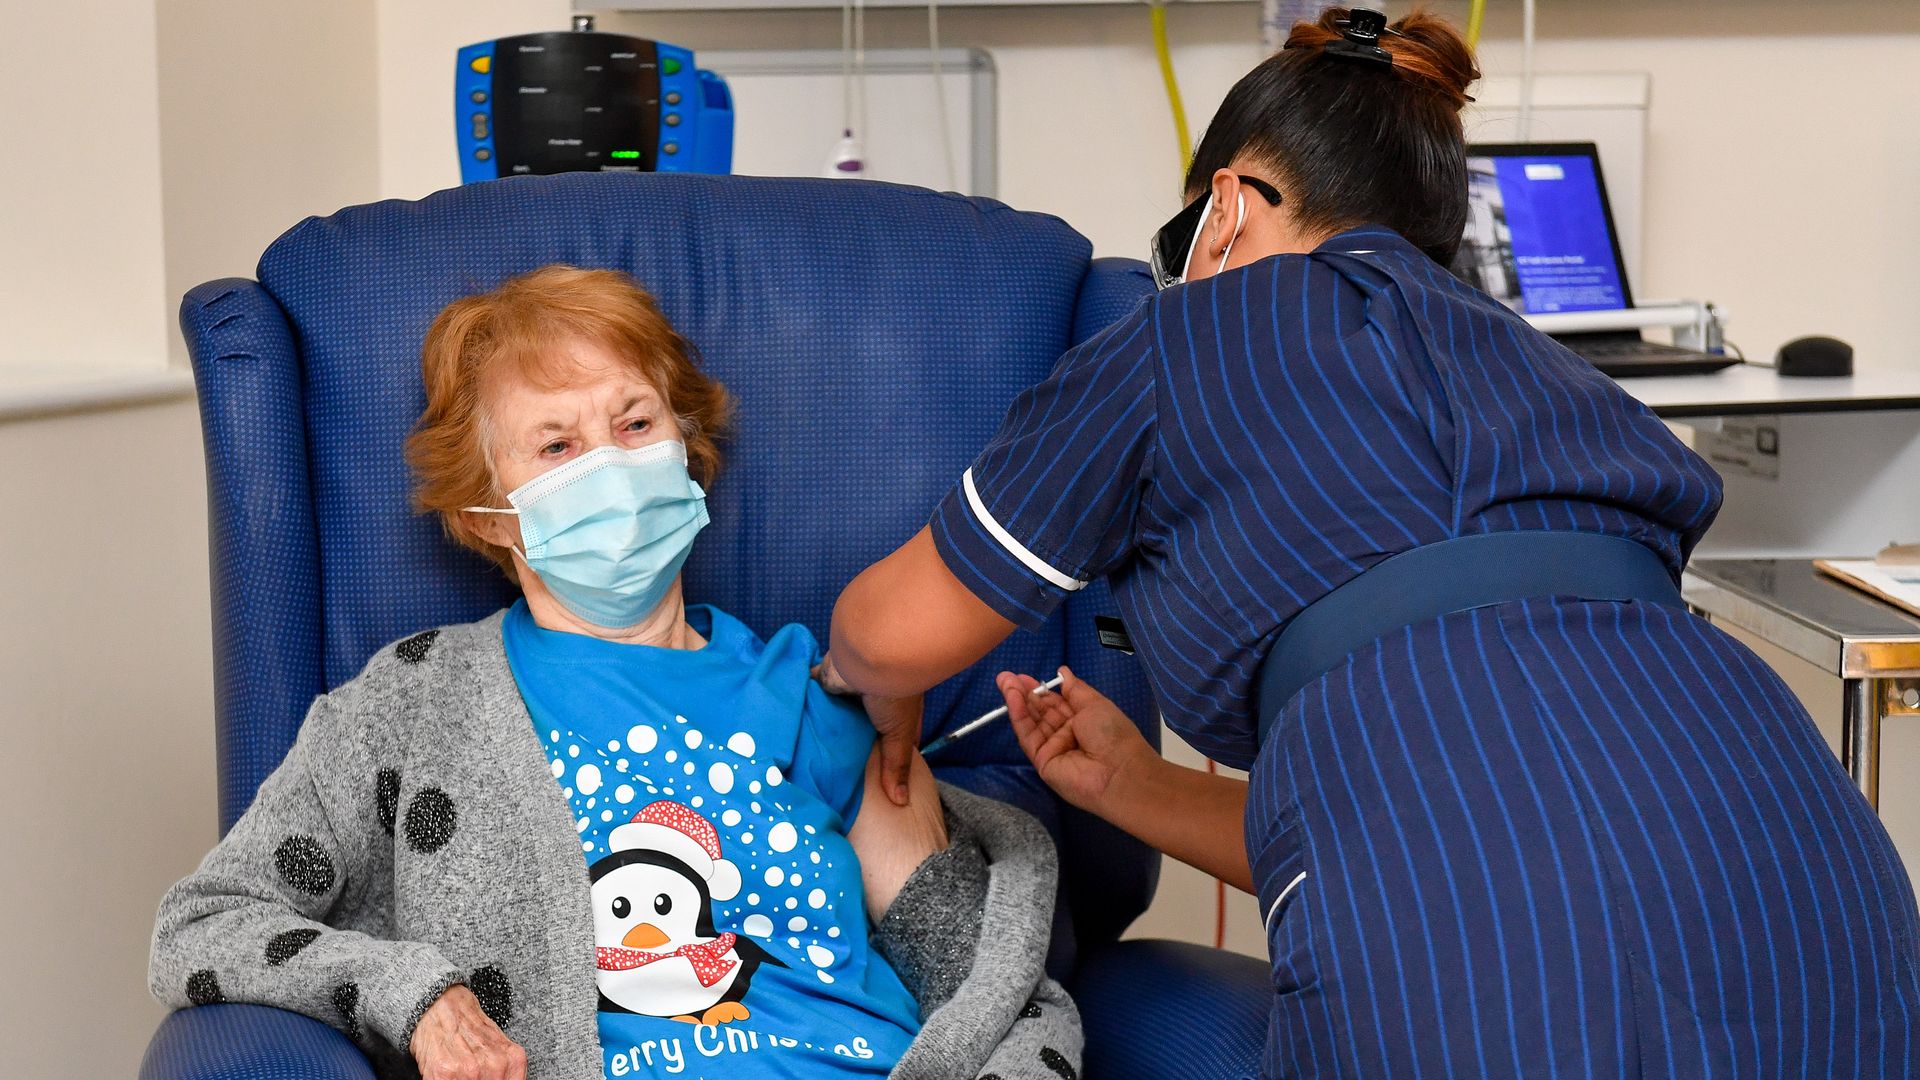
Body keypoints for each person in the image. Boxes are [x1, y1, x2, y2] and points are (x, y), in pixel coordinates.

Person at [819, 8, 1920, 1077]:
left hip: (1494, 982)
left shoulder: (1182, 337)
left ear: (1228, 208)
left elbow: (890, 633)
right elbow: (1497, 793)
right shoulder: (1560, 377)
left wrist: (880, 688)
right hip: (1822, 905)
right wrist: (1136, 788)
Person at [149, 266, 1081, 1080]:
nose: (610, 464)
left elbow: (983, 979)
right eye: (556, 446)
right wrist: (415, 995)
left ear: (687, 451)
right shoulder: (410, 705)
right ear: (490, 515)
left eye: (635, 423)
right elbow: (204, 924)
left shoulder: (811, 696)